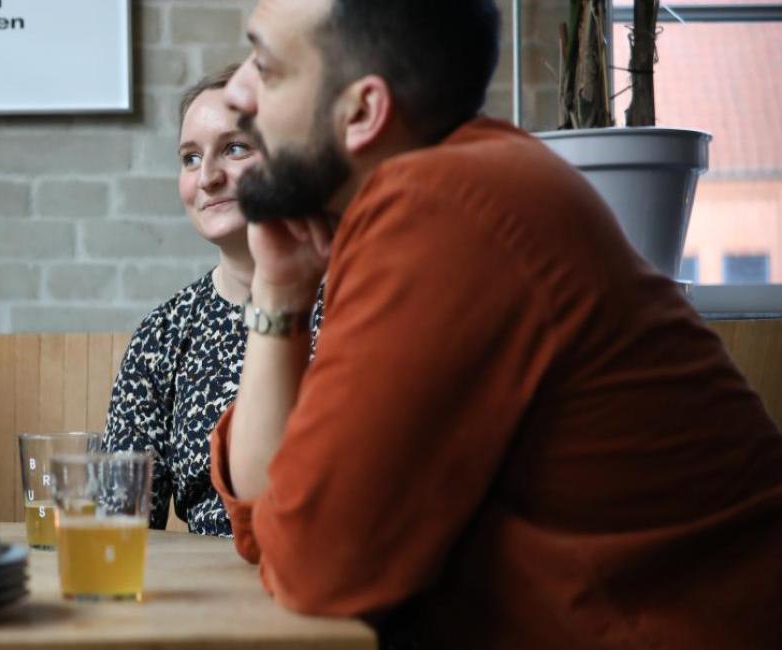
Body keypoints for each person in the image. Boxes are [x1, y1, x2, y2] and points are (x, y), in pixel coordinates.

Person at [209, 1, 782, 647]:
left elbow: (320, 563)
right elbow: (277, 508)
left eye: (267, 66)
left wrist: (295, 523)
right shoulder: (442, 189)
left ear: (364, 112)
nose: (236, 94)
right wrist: (280, 293)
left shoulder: (443, 205)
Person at [103, 64, 323, 537]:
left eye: (235, 148)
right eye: (189, 158)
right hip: (208, 594)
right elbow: (122, 522)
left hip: (322, 573)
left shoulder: (352, 300)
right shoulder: (163, 334)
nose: (206, 177)